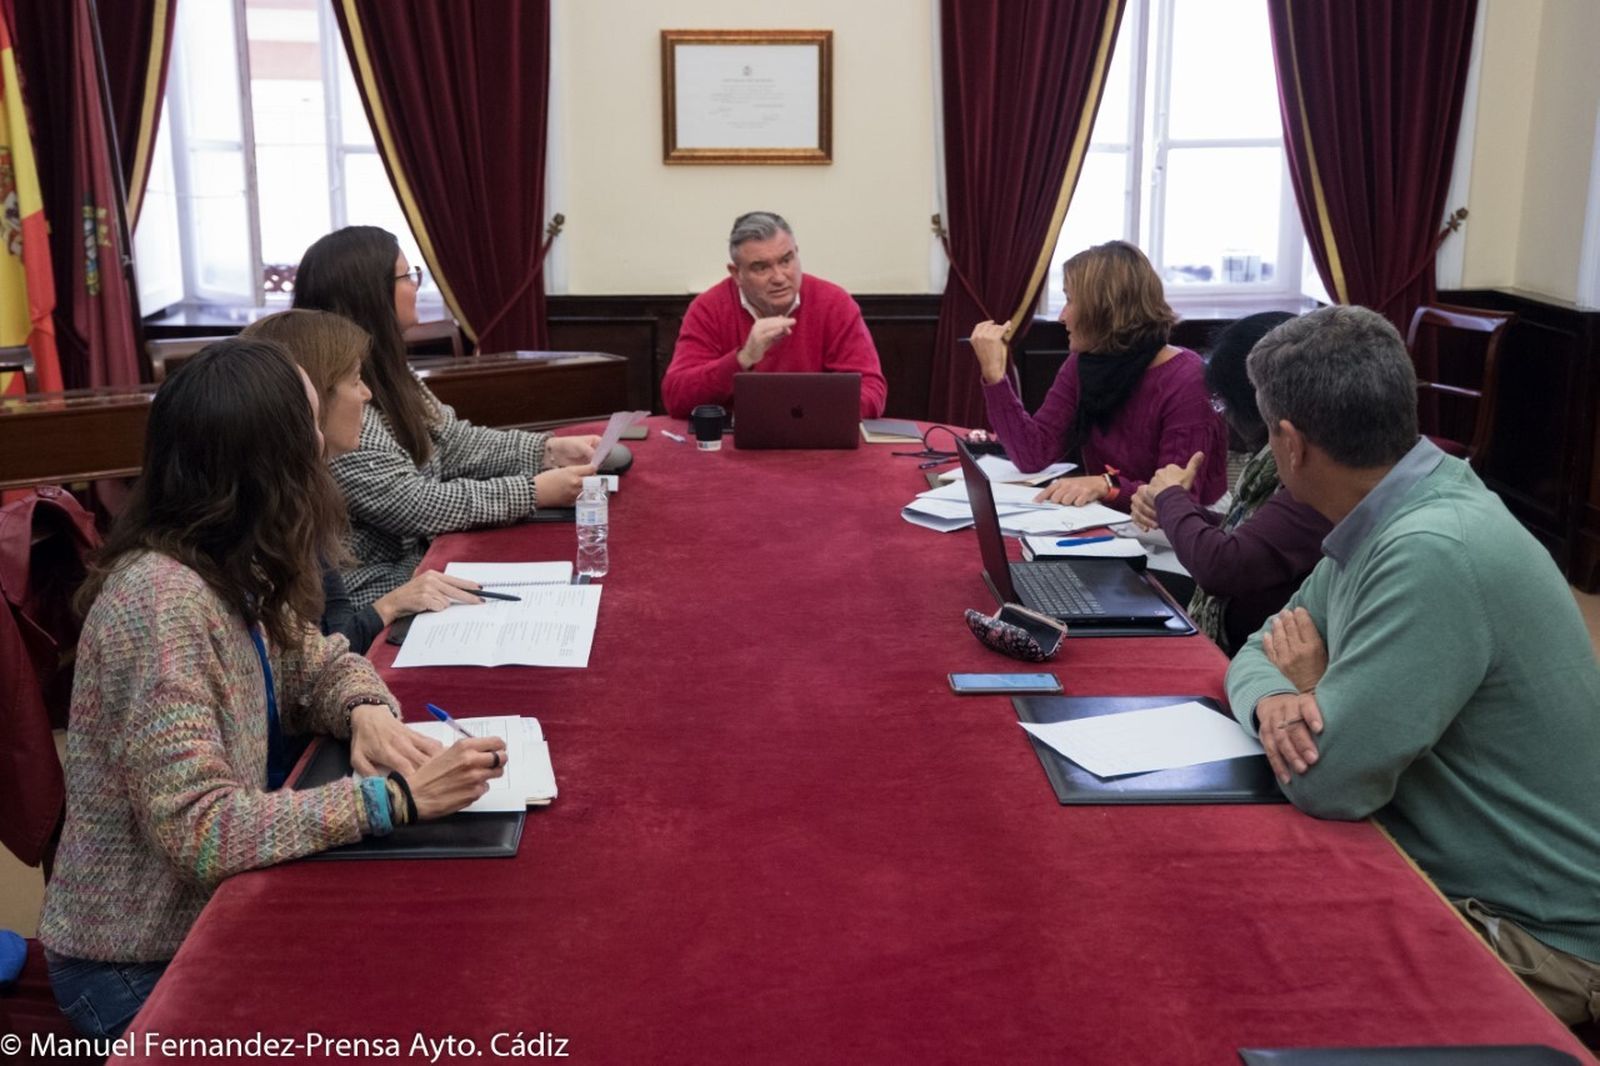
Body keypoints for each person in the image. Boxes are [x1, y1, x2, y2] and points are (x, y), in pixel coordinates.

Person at [38, 340, 507, 1038]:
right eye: (309, 427)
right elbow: (201, 831)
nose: (323, 444)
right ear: (271, 459)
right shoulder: (162, 603)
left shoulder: (226, 557)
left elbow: (311, 660)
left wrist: (367, 708)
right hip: (137, 960)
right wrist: (395, 798)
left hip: (204, 914)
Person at [1225, 305, 1600, 1027]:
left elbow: (1329, 780)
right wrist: (1278, 698)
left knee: (1261, 988)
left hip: (1540, 937)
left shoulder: (1430, 548)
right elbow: (1254, 649)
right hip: (1472, 877)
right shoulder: (1403, 502)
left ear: (1291, 445)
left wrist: (1314, 686)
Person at [292, 226, 599, 608]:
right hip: (376, 592)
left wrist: (547, 450)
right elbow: (415, 504)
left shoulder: (387, 371)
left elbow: (454, 441)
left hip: (417, 565)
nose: (416, 285)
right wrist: (534, 490)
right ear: (371, 293)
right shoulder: (334, 400)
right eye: (407, 276)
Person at [242, 309, 491, 652]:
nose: (367, 395)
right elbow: (316, 656)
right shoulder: (267, 513)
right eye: (356, 380)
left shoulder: (309, 489)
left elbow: (333, 633)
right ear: (312, 397)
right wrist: (389, 606)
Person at [1128, 312, 1331, 654]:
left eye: (1222, 403)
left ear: (1258, 404)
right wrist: (1176, 509)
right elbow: (1260, 534)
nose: (1220, 418)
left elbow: (1222, 565)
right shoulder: (1283, 462)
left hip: (1254, 653)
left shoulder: (1312, 473)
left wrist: (1173, 499)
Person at [970, 240, 1226, 509]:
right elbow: (1033, 454)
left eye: (1070, 300)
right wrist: (995, 377)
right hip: (1112, 521)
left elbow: (1180, 498)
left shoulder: (1186, 379)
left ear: (1105, 310)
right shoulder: (1084, 363)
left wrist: (1108, 486)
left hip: (1182, 536)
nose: (1061, 316)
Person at [662, 211, 888, 419]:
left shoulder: (834, 303)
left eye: (786, 260)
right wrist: (743, 359)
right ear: (736, 273)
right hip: (733, 448)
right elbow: (676, 398)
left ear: (797, 254)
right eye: (761, 267)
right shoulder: (708, 308)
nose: (779, 277)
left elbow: (872, 390)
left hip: (817, 443)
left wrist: (811, 416)